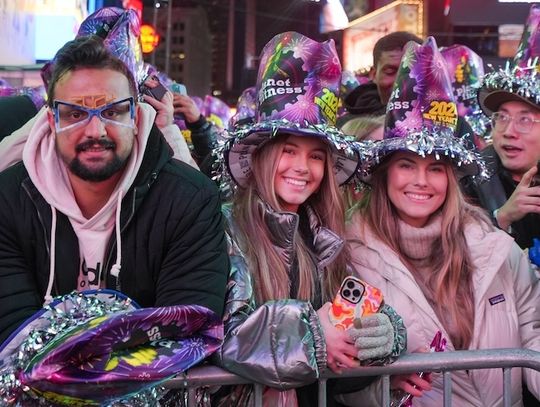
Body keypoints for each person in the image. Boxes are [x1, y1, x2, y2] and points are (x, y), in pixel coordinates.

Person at [213, 31, 407, 407]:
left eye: (316, 156)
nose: (302, 168)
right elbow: (218, 334)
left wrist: (385, 335)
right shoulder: (223, 228)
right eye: (288, 151)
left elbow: (351, 312)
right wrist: (312, 334)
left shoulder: (322, 237)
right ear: (262, 155)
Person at [344, 36, 540, 406]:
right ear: (385, 173)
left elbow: (533, 335)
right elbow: (340, 382)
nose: (421, 181)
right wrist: (380, 383)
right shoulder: (348, 256)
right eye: (406, 165)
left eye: (435, 168)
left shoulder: (495, 247)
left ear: (450, 179)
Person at [0, 36, 229, 343]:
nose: (96, 131)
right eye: (75, 114)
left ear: (135, 117)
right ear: (52, 121)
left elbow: (185, 331)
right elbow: (12, 333)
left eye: (112, 112)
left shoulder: (190, 200)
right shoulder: (8, 199)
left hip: (155, 390)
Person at [466, 4, 540, 250]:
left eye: (525, 120)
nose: (508, 131)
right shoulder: (469, 180)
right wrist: (502, 218)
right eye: (502, 117)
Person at [340, 31, 422, 122]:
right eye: (390, 72)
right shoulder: (345, 129)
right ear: (374, 75)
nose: (399, 82)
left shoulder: (437, 122)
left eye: (409, 72)